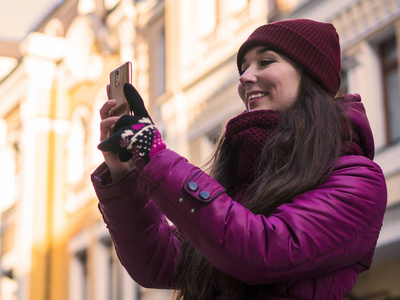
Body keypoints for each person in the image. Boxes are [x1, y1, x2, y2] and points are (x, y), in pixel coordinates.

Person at [91, 19, 387, 300]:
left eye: (265, 61)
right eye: (243, 68)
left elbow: (264, 252)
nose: (244, 77)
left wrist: (154, 155)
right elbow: (159, 263)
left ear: (310, 77)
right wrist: (125, 176)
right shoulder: (244, 175)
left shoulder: (358, 179)